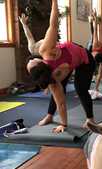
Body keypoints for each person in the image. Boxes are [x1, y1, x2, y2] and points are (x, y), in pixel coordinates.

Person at [26, 0, 96, 133]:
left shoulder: (46, 50)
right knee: (56, 91)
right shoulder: (52, 79)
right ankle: (50, 115)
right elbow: (61, 103)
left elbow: (53, 24)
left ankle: (90, 119)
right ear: (39, 63)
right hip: (68, 63)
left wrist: (54, 3)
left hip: (85, 59)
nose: (32, 58)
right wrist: (63, 125)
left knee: (80, 89)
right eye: (32, 61)